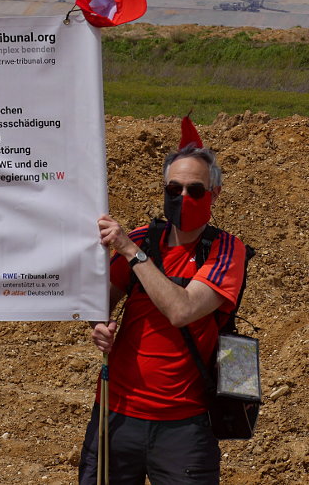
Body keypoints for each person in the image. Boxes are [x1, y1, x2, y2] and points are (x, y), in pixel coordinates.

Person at [78, 131, 247, 485]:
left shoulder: (226, 251)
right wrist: (99, 323)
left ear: (214, 194)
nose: (183, 197)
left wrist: (131, 252)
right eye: (174, 189)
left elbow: (181, 310)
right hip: (115, 414)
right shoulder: (143, 239)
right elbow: (97, 302)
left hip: (184, 426)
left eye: (195, 189)